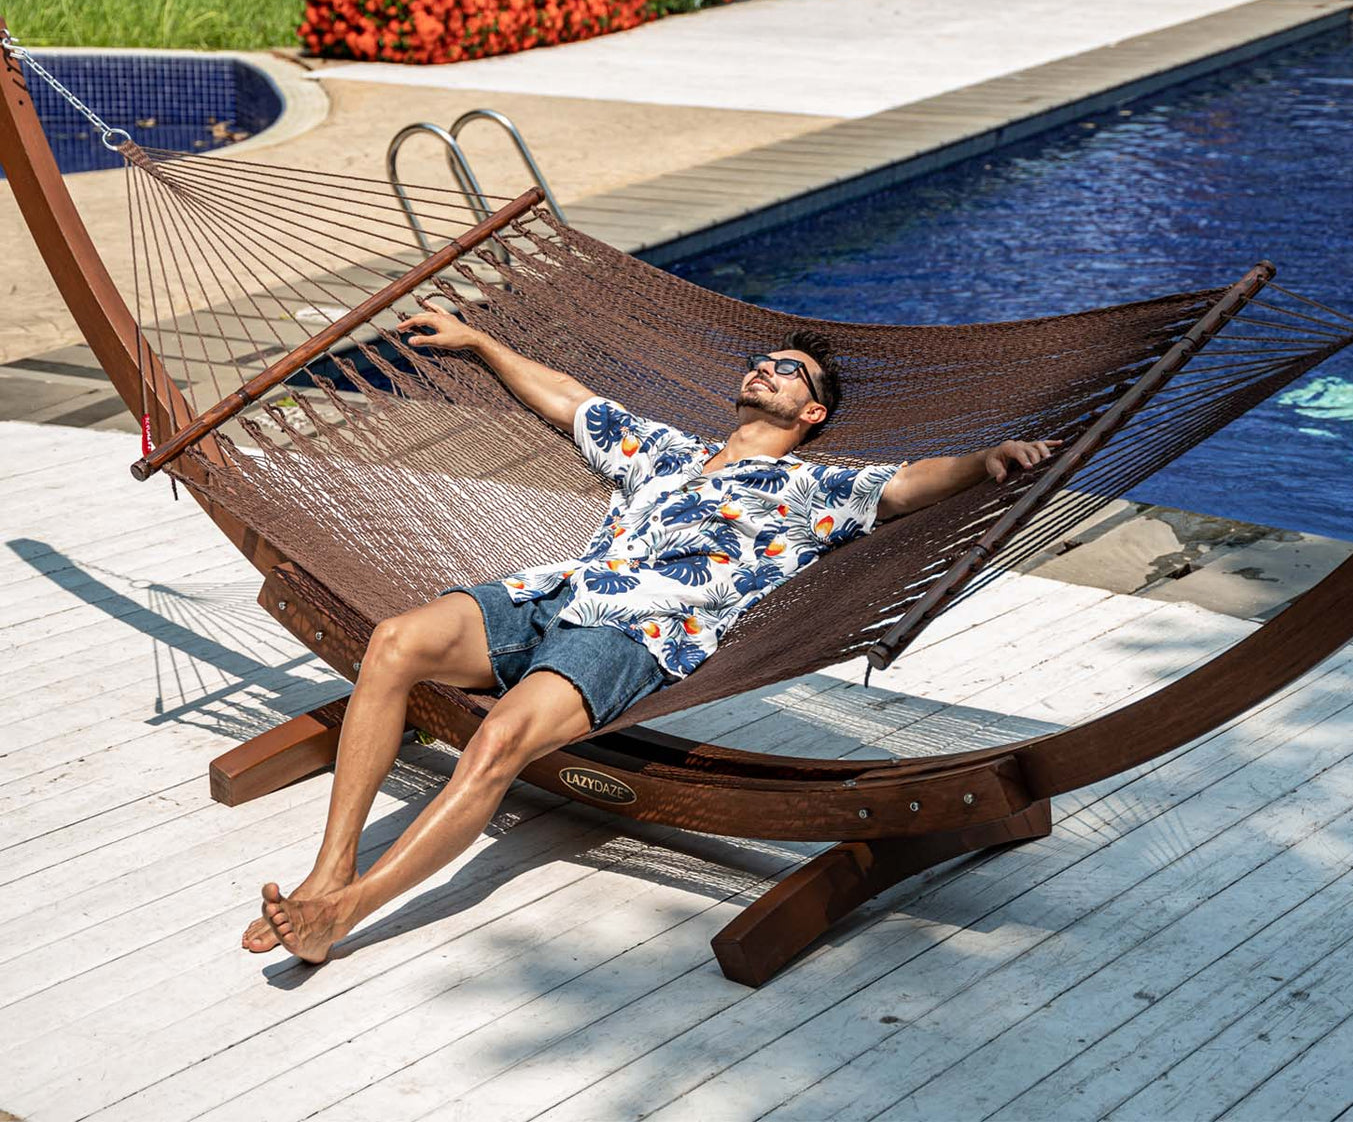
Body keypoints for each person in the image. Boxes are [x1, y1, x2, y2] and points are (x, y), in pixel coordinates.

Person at [248, 308, 1062, 963]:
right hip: (552, 592)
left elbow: (914, 483)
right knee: (392, 641)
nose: (765, 370)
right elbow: (569, 400)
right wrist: (481, 342)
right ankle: (330, 870)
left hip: (636, 634)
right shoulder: (665, 451)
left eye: (788, 371)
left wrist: (990, 455)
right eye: (763, 361)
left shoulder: (819, 487)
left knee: (497, 742)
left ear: (811, 412)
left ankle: (344, 913)